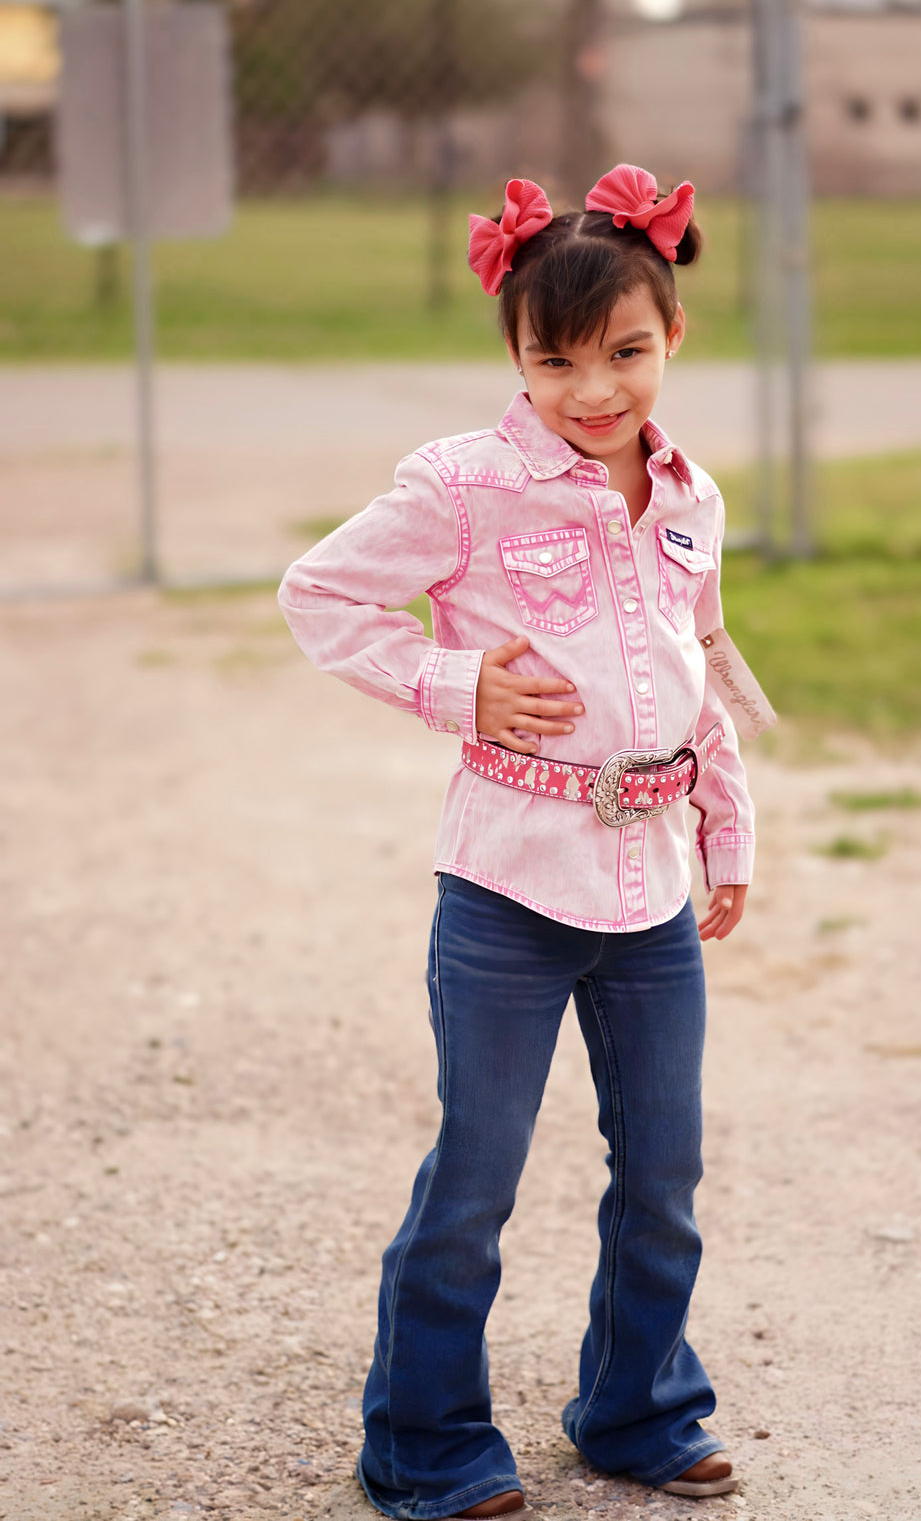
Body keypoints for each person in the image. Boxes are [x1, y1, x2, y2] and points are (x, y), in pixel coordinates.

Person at [279, 164, 768, 1521]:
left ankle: (638, 1406)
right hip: (507, 886)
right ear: (516, 354)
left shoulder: (688, 495)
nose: (594, 389)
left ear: (672, 336)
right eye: (557, 360)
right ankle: (424, 1441)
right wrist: (458, 684)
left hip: (653, 892)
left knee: (664, 1170)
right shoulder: (464, 486)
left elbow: (700, 657)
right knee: (477, 1173)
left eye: (624, 352)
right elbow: (317, 595)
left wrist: (729, 825)